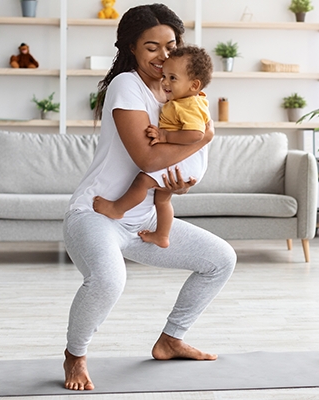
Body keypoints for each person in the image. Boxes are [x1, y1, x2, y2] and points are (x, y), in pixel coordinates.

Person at [62, 4, 236, 391]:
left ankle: (170, 340)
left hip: (143, 220)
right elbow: (147, 157)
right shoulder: (127, 85)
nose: (162, 57)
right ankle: (75, 355)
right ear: (131, 48)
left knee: (220, 259)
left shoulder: (177, 92)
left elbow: (167, 164)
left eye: (170, 46)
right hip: (96, 214)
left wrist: (179, 185)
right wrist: (202, 139)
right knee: (108, 279)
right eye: (151, 47)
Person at [92, 45, 214, 249]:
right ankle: (162, 235)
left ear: (194, 85)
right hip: (187, 161)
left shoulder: (189, 105)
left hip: (185, 159)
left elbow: (196, 135)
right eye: (165, 76)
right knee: (163, 199)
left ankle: (117, 208)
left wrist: (165, 135)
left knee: (142, 181)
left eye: (172, 78)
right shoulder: (186, 100)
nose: (164, 82)